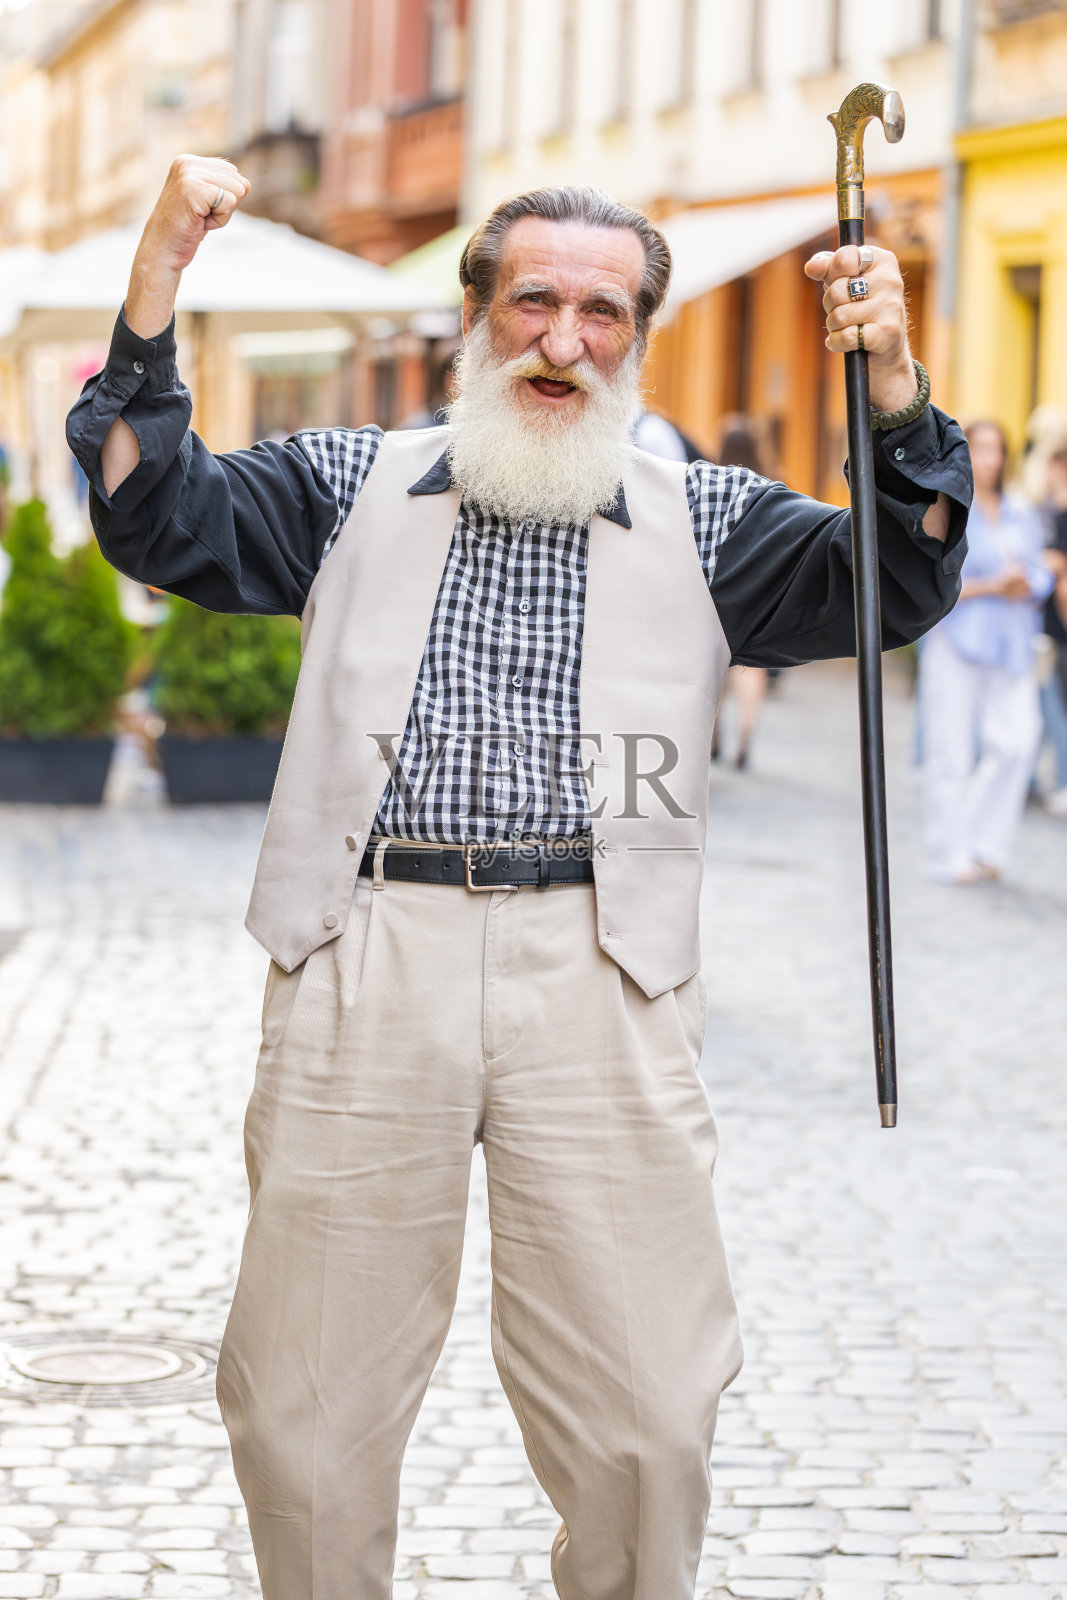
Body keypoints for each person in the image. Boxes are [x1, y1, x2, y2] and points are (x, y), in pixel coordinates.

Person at [66, 158, 970, 1600]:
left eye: (602, 313)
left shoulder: (706, 516)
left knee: (649, 1422)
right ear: (474, 318)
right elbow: (153, 511)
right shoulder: (344, 484)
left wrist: (892, 388)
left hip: (603, 973)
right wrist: (159, 276)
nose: (564, 340)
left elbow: (894, 582)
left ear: (636, 339)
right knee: (302, 1414)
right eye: (533, 301)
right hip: (369, 953)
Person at [919, 420, 1052, 883]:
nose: (990, 459)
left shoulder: (1019, 510)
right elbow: (933, 586)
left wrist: (1030, 581)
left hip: (1011, 642)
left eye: (997, 449)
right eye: (980, 448)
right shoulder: (947, 509)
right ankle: (947, 853)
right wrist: (997, 585)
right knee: (951, 750)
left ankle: (985, 843)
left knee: (1018, 742)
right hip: (957, 639)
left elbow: (1039, 570)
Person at [710, 415, 773, 769]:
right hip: (760, 585)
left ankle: (714, 736)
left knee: (715, 664)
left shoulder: (711, 480)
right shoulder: (771, 482)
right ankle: (745, 737)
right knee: (751, 666)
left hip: (718, 583)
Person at [1038, 445, 1067, 815]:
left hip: (1057, 629)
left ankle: (1062, 781)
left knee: (1054, 706)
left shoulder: (1061, 514)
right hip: (1049, 627)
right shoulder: (1051, 510)